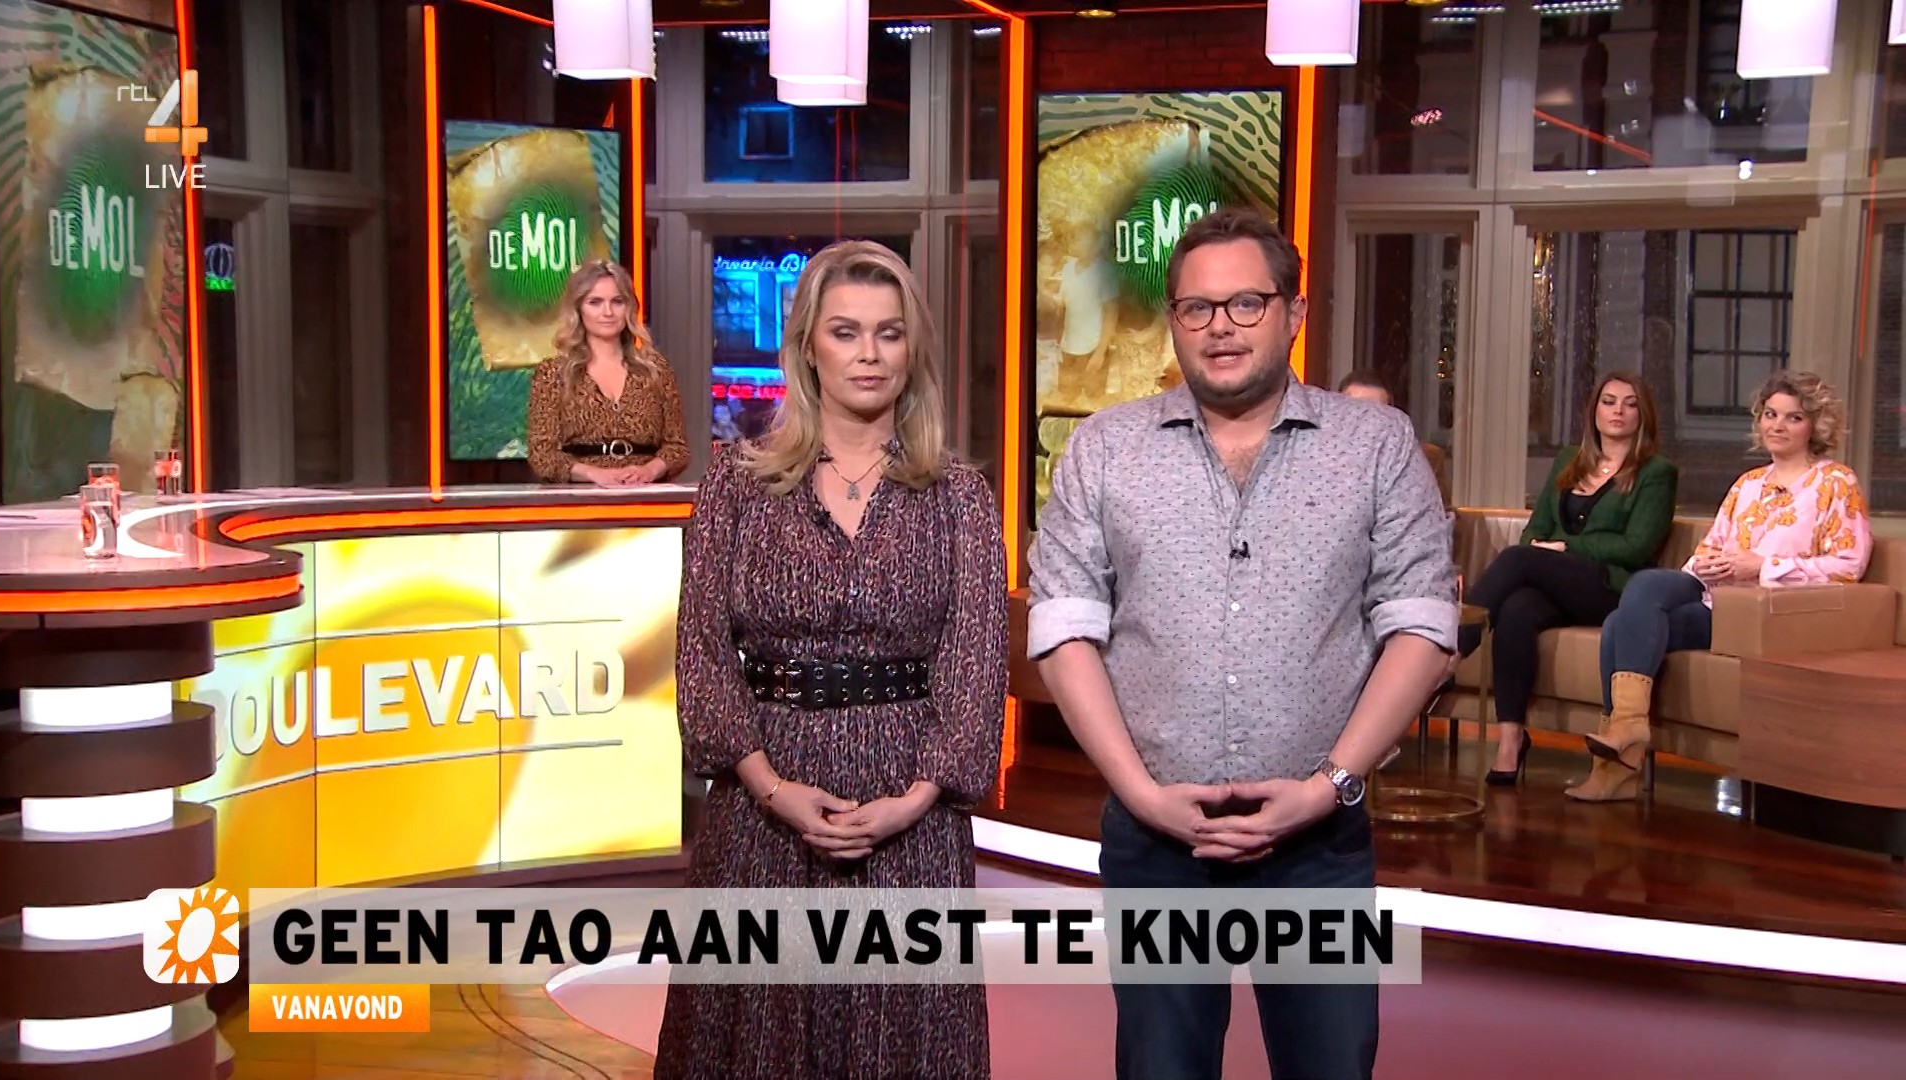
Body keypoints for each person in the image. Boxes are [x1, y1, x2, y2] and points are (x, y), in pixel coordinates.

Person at [1029, 207, 1457, 1080]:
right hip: (1156, 844)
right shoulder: (1104, 449)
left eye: (1246, 304)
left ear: (1293, 313)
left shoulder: (1376, 444)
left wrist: (1329, 786)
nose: (1220, 326)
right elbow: (1063, 627)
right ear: (1173, 320)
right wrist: (1141, 795)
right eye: (1197, 307)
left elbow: (1421, 625)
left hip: (1319, 846)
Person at [656, 240, 1009, 1080]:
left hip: (910, 808)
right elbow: (702, 651)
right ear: (808, 345)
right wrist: (770, 787)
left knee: (901, 1040)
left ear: (912, 349)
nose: (869, 353)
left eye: (889, 333)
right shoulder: (736, 487)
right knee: (756, 1042)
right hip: (763, 801)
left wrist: (913, 801)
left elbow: (976, 663)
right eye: (846, 332)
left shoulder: (958, 496)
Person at [1572, 370, 1872, 803]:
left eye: (1793, 417)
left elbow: (1848, 565)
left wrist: (1762, 567)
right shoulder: (1748, 484)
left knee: (1624, 622)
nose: (1777, 426)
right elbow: (1710, 548)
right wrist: (1709, 563)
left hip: (1762, 616)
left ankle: (1621, 756)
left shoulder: (1836, 483)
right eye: (1770, 414)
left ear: (1814, 425)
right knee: (1636, 601)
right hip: (1716, 598)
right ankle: (1625, 733)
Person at [1459, 372, 1677, 786]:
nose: (1617, 411)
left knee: (1518, 559)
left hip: (1611, 589)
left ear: (1643, 415)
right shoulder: (1568, 461)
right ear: (1594, 410)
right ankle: (1510, 741)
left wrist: (1565, 548)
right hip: (1557, 583)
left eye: (1630, 403)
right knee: (1517, 609)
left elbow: (1637, 548)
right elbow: (1535, 528)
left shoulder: (1656, 472)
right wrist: (1543, 548)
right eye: (1608, 401)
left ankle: (1448, 650)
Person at [526, 260, 690, 485]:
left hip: (643, 494)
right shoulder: (553, 374)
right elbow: (542, 455)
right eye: (595, 302)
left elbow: (677, 448)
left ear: (629, 307)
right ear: (578, 309)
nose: (608, 312)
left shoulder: (655, 369)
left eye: (617, 301)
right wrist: (594, 474)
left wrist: (648, 471)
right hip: (581, 496)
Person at [1337, 369, 1451, 508]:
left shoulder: (1426, 458)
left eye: (1377, 412)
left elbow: (1440, 516)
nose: (1365, 419)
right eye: (1356, 410)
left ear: (1393, 415)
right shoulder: (1318, 457)